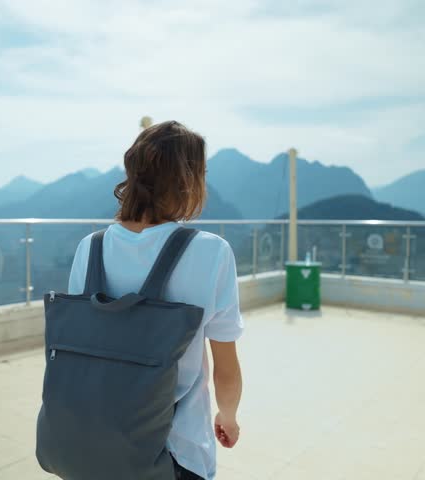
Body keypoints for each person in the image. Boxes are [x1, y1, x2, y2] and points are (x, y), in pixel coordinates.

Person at [67, 121, 244, 480]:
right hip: (177, 452)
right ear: (188, 180)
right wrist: (228, 417)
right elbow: (225, 367)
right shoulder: (211, 252)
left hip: (93, 440)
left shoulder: (91, 248)